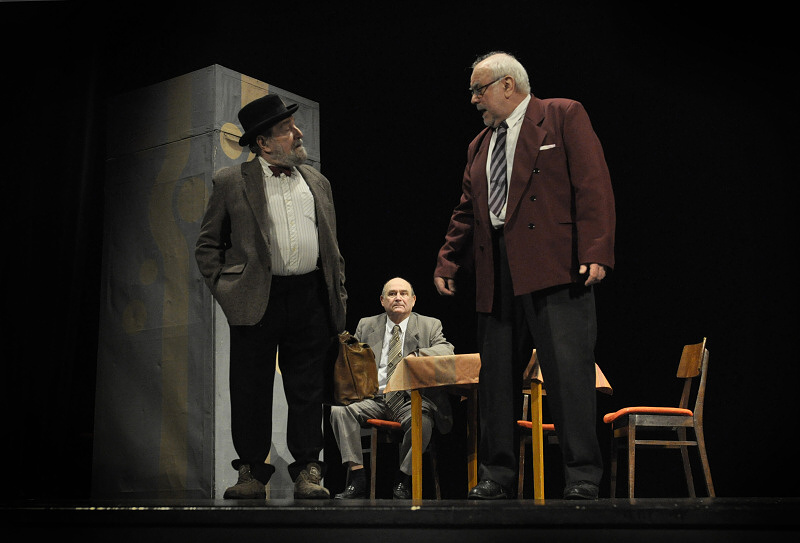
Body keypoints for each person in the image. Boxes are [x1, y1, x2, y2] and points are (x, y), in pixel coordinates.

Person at [434, 52, 615, 500]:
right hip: (496, 267)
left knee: (568, 374)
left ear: (508, 85)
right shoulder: (479, 145)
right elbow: (466, 209)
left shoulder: (561, 115)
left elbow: (592, 185)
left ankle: (582, 475)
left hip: (555, 264)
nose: (473, 99)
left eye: (479, 89)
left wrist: (595, 250)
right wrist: (449, 259)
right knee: (496, 378)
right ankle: (497, 475)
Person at [195, 94, 347, 499]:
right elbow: (208, 245)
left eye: (294, 127)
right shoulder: (231, 181)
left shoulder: (318, 182)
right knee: (250, 386)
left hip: (310, 295)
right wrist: (227, 290)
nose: (298, 134)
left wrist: (337, 291)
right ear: (263, 142)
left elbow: (332, 246)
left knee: (307, 388)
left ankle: (308, 470)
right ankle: (250, 472)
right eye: (286, 130)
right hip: (257, 296)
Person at [330, 277, 454, 499]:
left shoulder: (429, 325)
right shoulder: (367, 325)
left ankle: (403, 478)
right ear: (382, 300)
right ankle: (357, 476)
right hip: (374, 398)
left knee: (423, 422)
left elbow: (446, 350)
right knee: (339, 411)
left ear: (413, 300)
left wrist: (418, 355)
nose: (398, 298)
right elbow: (351, 356)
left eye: (404, 293)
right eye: (392, 293)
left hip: (410, 400)